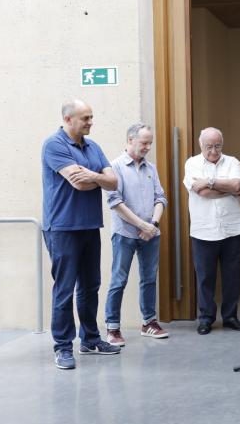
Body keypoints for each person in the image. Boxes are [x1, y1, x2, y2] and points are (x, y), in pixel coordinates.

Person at [41, 99, 121, 370]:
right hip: (62, 228)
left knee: (90, 286)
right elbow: (78, 184)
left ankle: (90, 339)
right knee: (64, 289)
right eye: (85, 118)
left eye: (91, 117)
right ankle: (63, 347)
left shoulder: (93, 146)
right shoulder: (54, 145)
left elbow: (113, 182)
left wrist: (94, 176)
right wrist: (96, 176)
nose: (90, 122)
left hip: (89, 226)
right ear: (68, 120)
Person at [104, 123, 168, 346]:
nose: (148, 147)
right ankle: (112, 328)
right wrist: (142, 224)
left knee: (149, 279)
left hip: (151, 234)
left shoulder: (151, 168)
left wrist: (153, 224)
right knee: (118, 280)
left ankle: (148, 322)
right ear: (130, 140)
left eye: (150, 142)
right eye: (144, 143)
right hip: (125, 235)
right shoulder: (115, 167)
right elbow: (115, 202)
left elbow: (161, 198)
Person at [184, 127, 240, 335]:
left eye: (217, 146)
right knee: (205, 277)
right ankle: (206, 318)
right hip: (204, 229)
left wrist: (211, 182)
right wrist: (229, 190)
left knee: (232, 276)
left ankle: (230, 316)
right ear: (200, 145)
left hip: (232, 227)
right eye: (209, 146)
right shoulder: (192, 163)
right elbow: (202, 193)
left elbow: (237, 184)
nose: (213, 151)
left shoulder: (232, 162)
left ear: (222, 144)